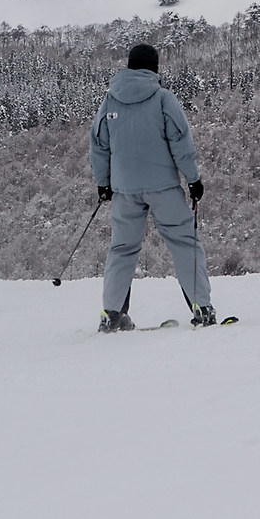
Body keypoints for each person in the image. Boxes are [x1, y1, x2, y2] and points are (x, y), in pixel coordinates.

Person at [88, 42, 215, 331]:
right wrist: (193, 179)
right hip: (163, 187)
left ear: (130, 65)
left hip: (124, 190)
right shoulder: (162, 98)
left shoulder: (110, 100)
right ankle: (202, 308)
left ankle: (112, 315)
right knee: (184, 243)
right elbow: (181, 141)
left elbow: (98, 145)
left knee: (122, 249)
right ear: (155, 67)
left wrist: (103, 184)